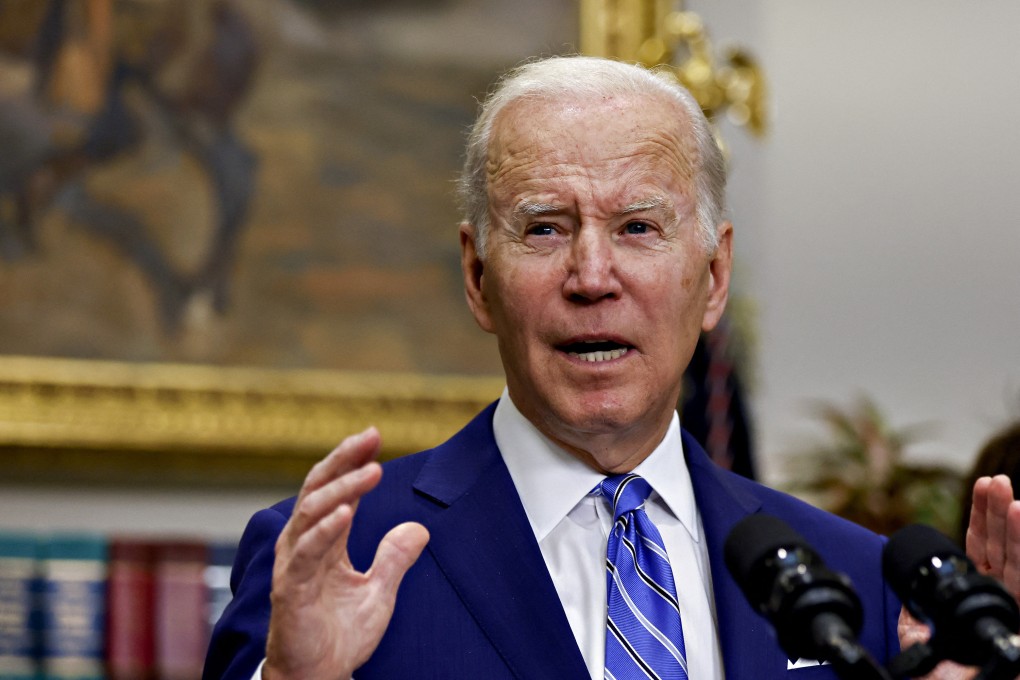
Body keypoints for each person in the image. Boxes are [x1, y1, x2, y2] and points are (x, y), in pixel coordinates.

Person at [202, 55, 1020, 680]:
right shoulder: (336, 558)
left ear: (715, 276)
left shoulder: (850, 578)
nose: (593, 277)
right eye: (546, 229)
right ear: (477, 275)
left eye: (637, 227)